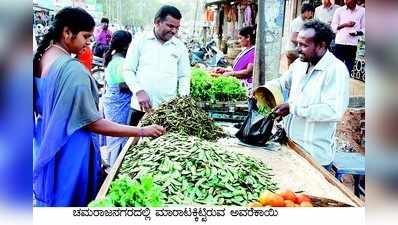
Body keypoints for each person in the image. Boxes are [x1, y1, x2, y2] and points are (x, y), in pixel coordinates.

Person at [33, 7, 165, 207]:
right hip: (71, 150)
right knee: (70, 204)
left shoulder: (40, 58)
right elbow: (93, 123)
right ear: (67, 33)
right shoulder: (72, 71)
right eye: (86, 36)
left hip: (44, 141)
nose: (89, 42)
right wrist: (141, 130)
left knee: (51, 202)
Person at [270, 20, 350, 169]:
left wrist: (293, 108)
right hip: (290, 147)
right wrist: (264, 90)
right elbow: (282, 83)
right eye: (297, 43)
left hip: (314, 156)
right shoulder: (300, 64)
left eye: (304, 45)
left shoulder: (336, 70)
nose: (298, 49)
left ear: (321, 45)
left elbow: (333, 111)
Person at [123, 5, 190, 126]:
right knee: (133, 144)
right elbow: (128, 70)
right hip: (140, 108)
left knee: (165, 144)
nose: (174, 31)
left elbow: (184, 76)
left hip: (167, 112)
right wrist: (138, 91)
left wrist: (183, 102)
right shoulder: (140, 41)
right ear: (157, 22)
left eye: (177, 28)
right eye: (170, 26)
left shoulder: (180, 47)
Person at [102, 30, 133, 166]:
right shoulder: (122, 63)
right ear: (126, 46)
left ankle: (112, 161)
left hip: (111, 101)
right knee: (120, 133)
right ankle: (116, 165)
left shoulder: (112, 58)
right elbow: (122, 85)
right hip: (119, 102)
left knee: (114, 136)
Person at [213, 26, 256, 92]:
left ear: (248, 37)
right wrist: (225, 70)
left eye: (240, 38)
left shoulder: (254, 51)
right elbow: (237, 68)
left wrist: (231, 74)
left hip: (247, 88)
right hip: (239, 84)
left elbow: (248, 72)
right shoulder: (245, 50)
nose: (239, 41)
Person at [331, 0, 365, 75]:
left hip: (352, 45)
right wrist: (345, 25)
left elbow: (364, 28)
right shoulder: (339, 11)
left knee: (348, 70)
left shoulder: (362, 11)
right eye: (345, 2)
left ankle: (345, 85)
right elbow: (333, 27)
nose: (346, 3)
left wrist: (356, 33)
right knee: (336, 69)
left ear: (355, 1)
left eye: (349, 2)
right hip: (340, 43)